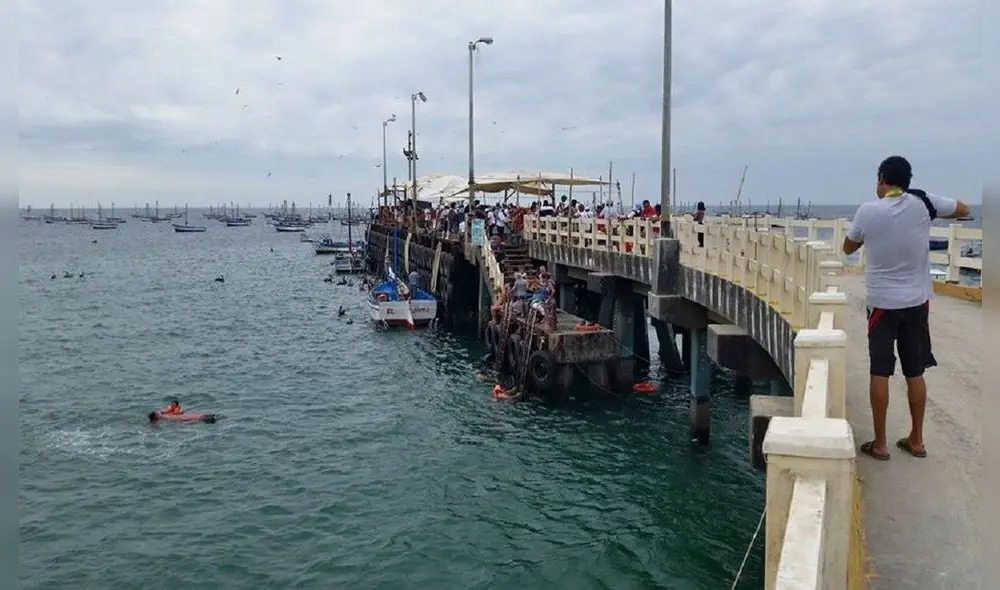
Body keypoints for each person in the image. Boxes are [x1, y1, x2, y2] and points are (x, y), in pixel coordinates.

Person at [844, 155, 970, 461]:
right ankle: (916, 440)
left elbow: (848, 246)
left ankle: (881, 444)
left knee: (880, 371)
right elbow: (964, 210)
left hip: (882, 306)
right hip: (916, 304)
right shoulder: (923, 203)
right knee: (915, 372)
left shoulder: (868, 211)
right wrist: (936, 215)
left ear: (883, 179)